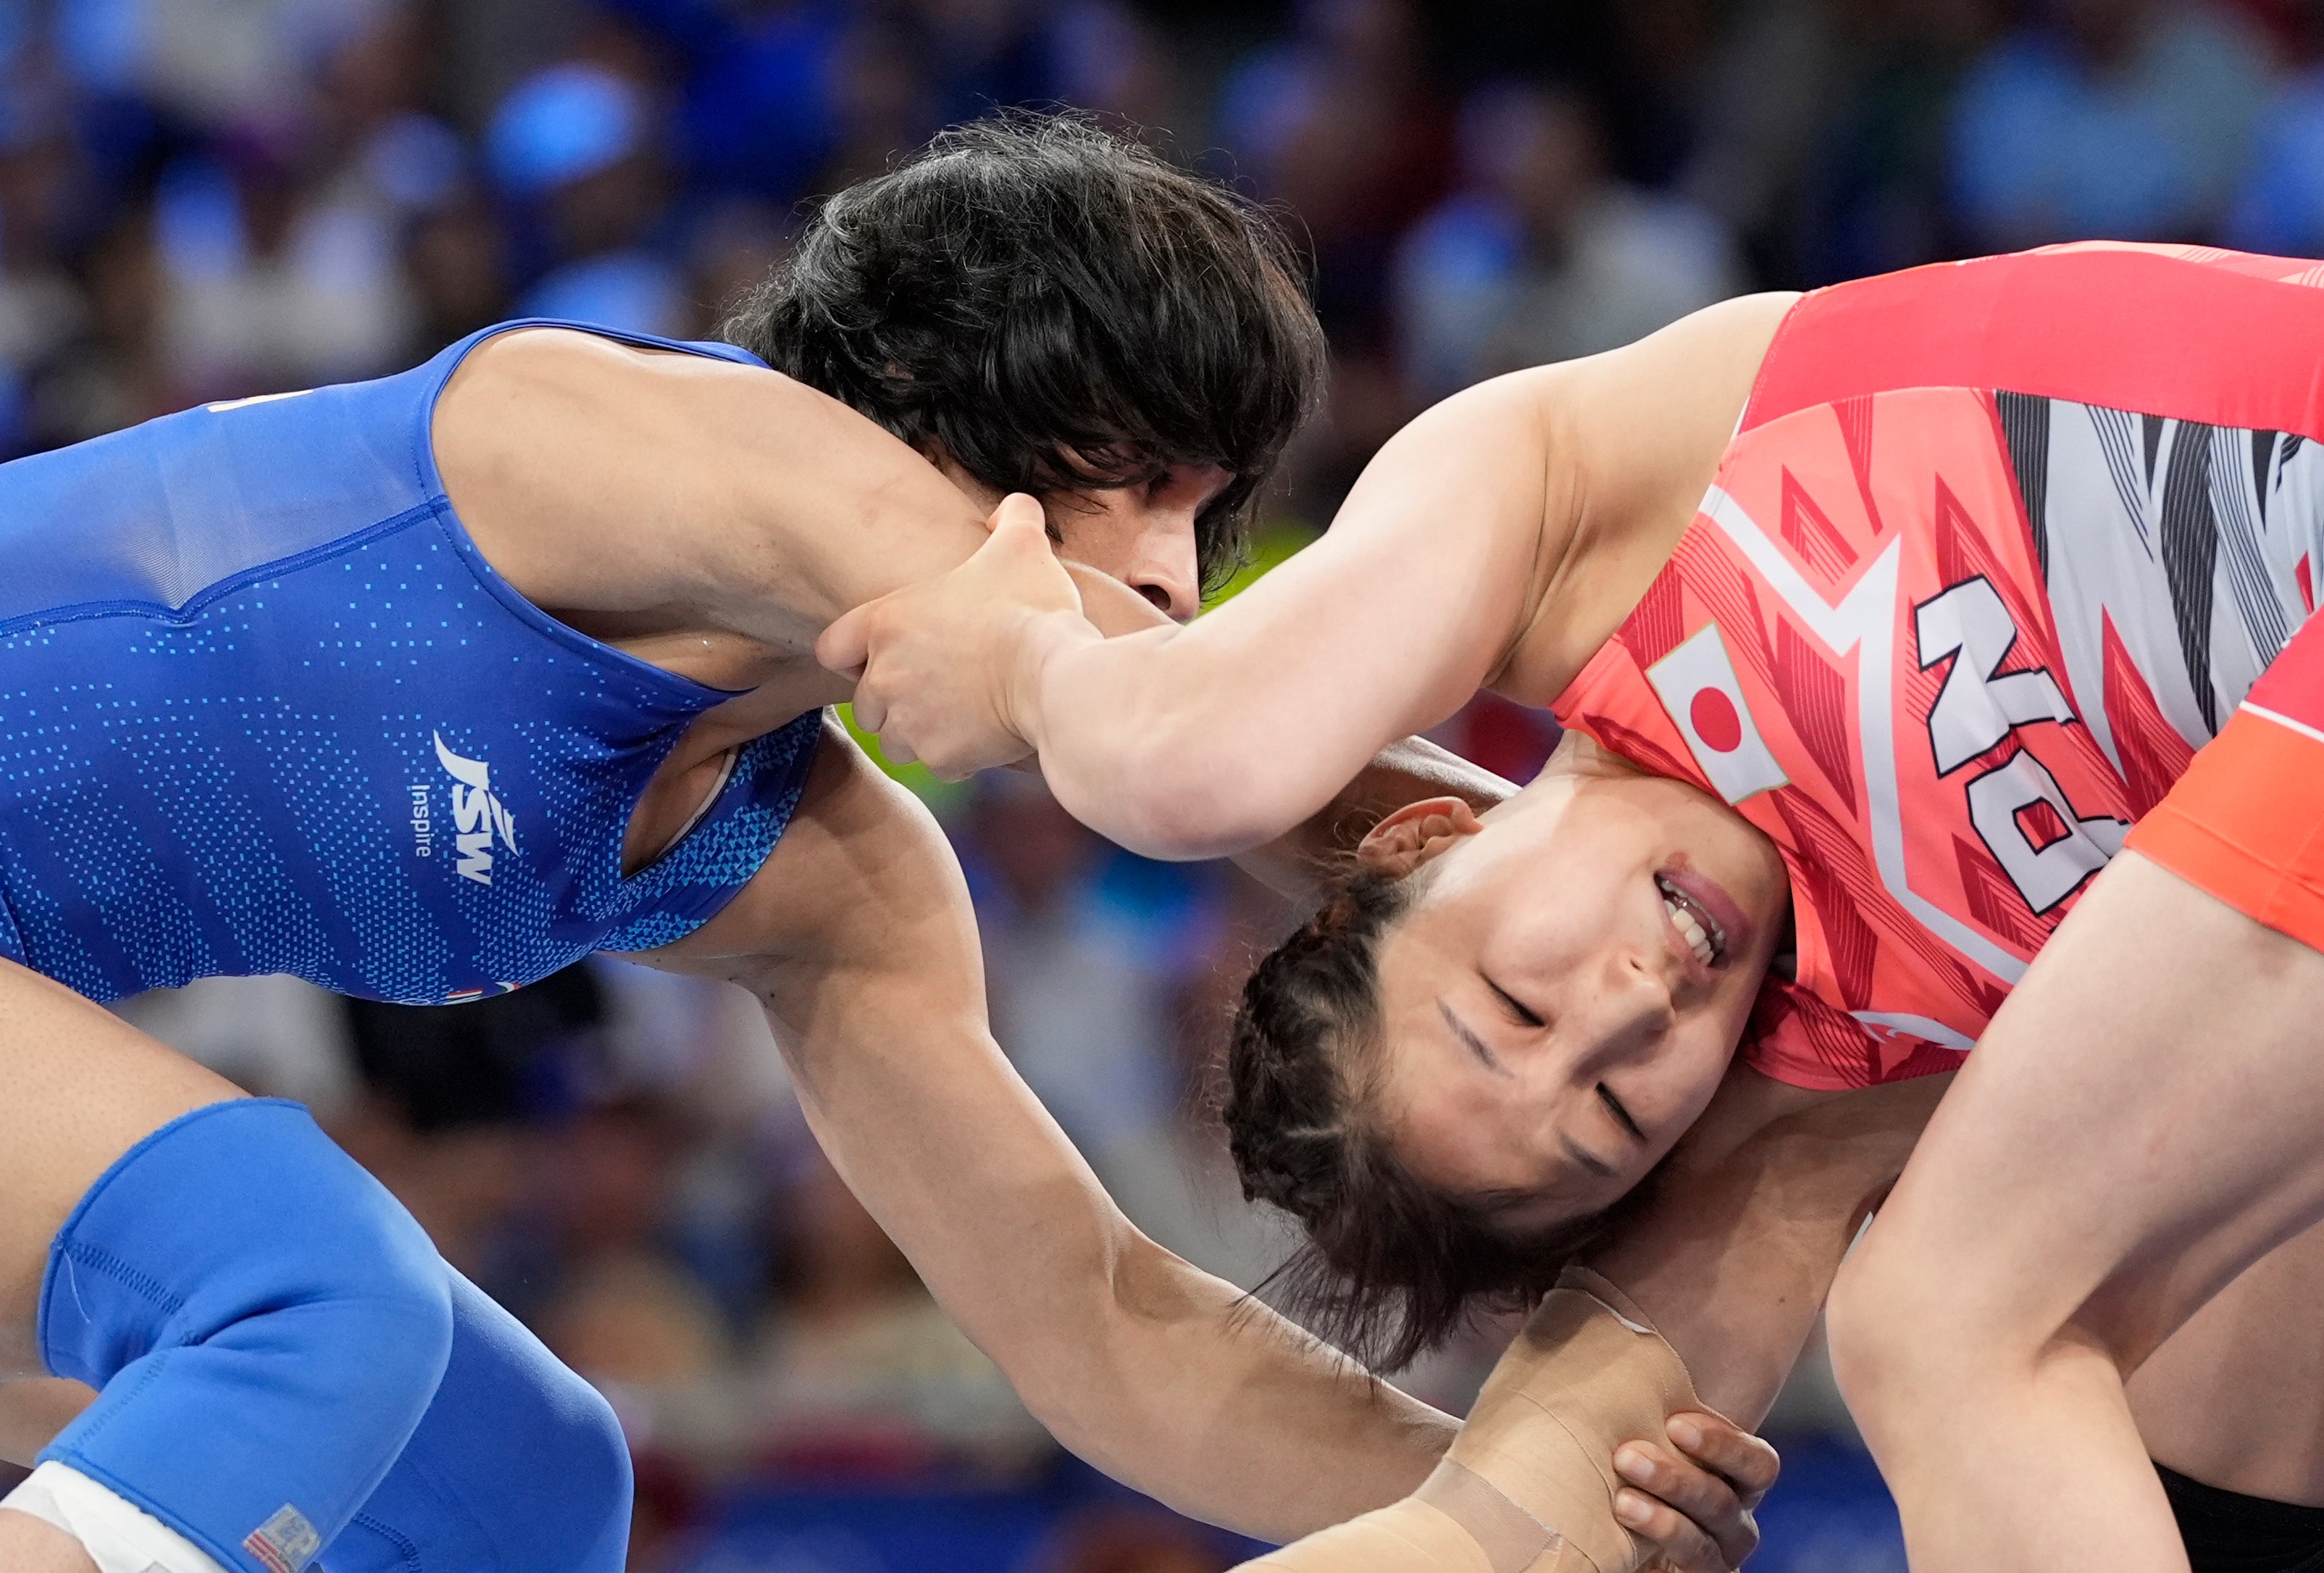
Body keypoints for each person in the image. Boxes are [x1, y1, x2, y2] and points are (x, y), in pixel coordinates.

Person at [0, 114, 1800, 1573]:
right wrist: (1652, 897)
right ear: (939, 418)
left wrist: (1528, 1504)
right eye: (1138, 479)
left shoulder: (819, 872)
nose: (1177, 572)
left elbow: (1105, 1334)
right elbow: (1191, 728)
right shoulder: (640, 435)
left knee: (519, 1497)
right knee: (314, 1295)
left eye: (1211, 511)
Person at [825, 239, 2324, 1571]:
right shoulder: (1816, 1091)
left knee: (1950, 1329)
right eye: (1614, 1113)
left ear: (1418, 845)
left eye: (1515, 1010)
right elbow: (1506, 1529)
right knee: (2190, 1421)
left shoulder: (1571, 525)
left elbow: (1187, 761)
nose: (1624, 1010)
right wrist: (1608, 1526)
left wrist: (1018, 662)